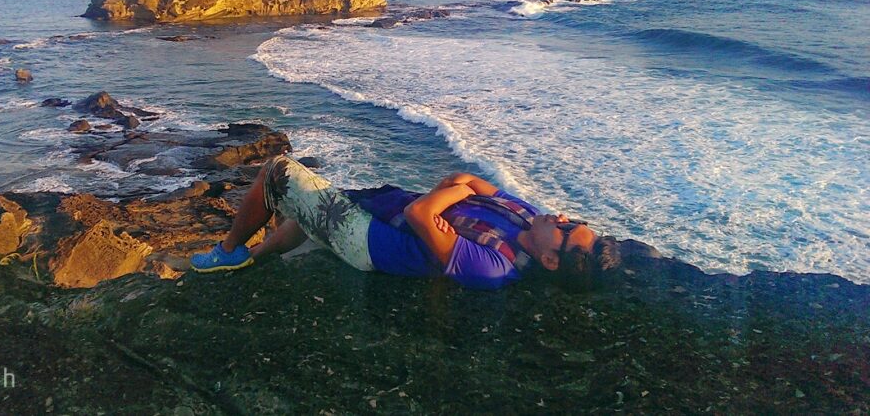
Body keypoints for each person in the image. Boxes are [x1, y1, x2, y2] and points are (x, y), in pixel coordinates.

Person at [190, 156, 620, 291]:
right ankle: (253, 257)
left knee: (277, 173)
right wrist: (450, 198)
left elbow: (427, 209)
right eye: (573, 220)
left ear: (549, 259)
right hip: (392, 213)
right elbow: (466, 180)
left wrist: (448, 198)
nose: (561, 218)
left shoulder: (495, 266)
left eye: (566, 230)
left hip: (370, 244)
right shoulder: (525, 214)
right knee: (314, 207)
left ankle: (227, 252)